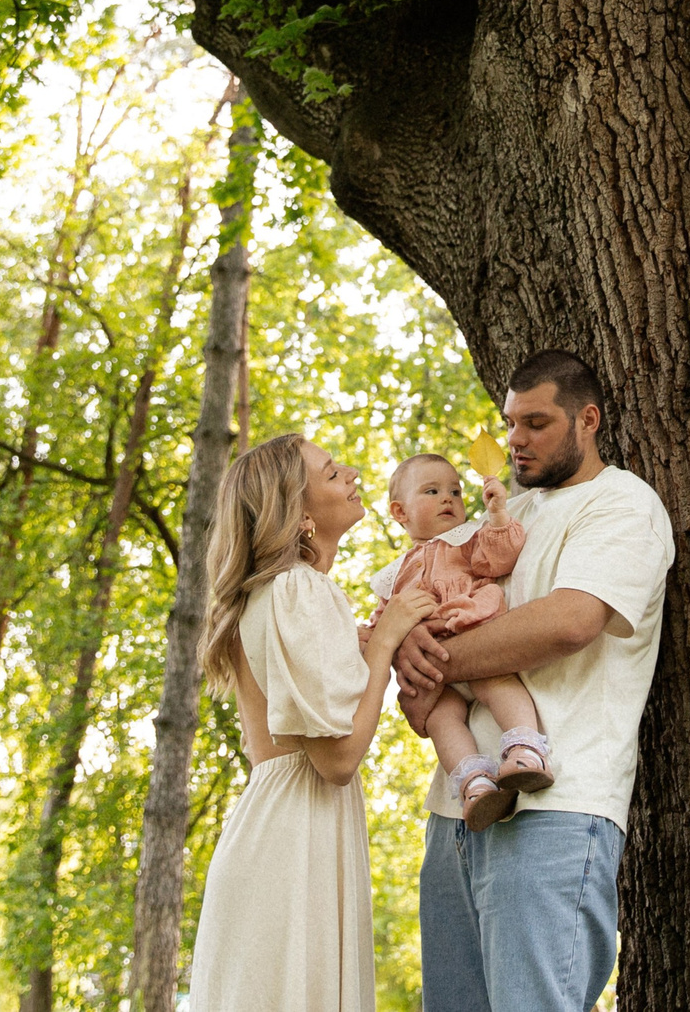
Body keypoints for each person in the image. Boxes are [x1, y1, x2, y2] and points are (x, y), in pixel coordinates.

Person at [397, 350, 675, 1012]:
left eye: (536, 422)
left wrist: (432, 655)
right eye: (510, 422)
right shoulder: (503, 517)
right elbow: (423, 593)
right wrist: (402, 635)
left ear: (588, 419)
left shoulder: (622, 504)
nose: (516, 438)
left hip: (558, 806)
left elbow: (571, 620)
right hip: (457, 808)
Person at [186, 431, 439, 1012]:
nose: (351, 472)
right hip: (291, 843)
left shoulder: (277, 594)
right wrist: (387, 640)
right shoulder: (298, 589)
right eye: (330, 473)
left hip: (278, 829)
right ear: (299, 514)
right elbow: (338, 758)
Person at [368, 452, 555, 830]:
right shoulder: (393, 575)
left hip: (473, 636)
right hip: (437, 672)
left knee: (497, 681)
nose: (448, 498)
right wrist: (370, 637)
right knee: (441, 717)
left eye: (455, 490)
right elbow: (382, 624)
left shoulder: (466, 538)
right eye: (432, 491)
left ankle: (526, 751)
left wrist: (498, 516)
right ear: (399, 512)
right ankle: (475, 784)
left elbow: (500, 558)